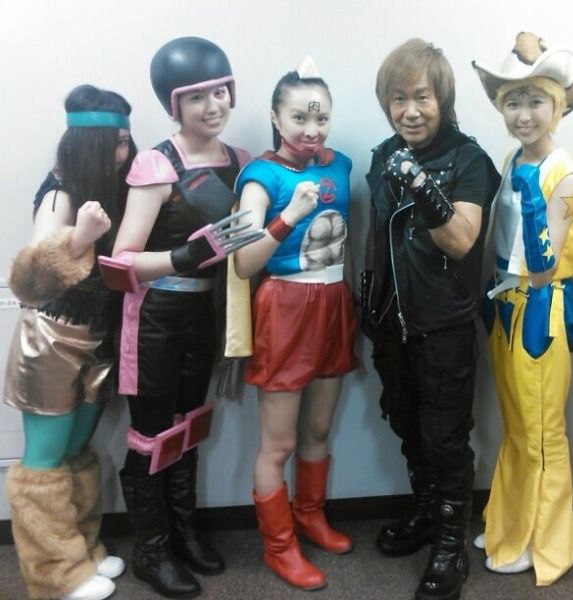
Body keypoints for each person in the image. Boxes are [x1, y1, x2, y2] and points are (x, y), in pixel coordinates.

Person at [105, 37, 258, 599]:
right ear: (174, 105)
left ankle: (184, 534)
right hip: (154, 318)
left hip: (206, 311)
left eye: (219, 92)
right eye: (196, 97)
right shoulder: (157, 163)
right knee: (150, 434)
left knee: (190, 425)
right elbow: (119, 263)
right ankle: (151, 550)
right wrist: (186, 255)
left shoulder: (240, 161)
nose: (212, 106)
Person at [361, 38, 501, 600]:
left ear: (442, 99)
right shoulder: (381, 156)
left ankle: (450, 546)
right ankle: (425, 512)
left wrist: (422, 185)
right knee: (405, 424)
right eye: (398, 99)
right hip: (392, 323)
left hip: (444, 326)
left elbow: (462, 240)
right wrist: (368, 302)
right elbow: (378, 237)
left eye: (422, 97)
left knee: (446, 441)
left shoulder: (469, 160)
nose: (410, 111)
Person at [4, 84, 135, 600]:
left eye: (126, 141)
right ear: (91, 144)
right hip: (52, 338)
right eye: (116, 142)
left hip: (95, 338)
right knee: (45, 457)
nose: (124, 152)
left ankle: (80, 555)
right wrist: (79, 239)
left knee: (78, 451)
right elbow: (28, 279)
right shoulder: (60, 192)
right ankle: (54, 577)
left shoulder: (111, 188)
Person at [232, 57, 356, 591]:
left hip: (333, 303)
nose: (312, 129)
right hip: (285, 308)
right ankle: (278, 546)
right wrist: (288, 217)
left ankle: (309, 515)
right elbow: (243, 263)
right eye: (300, 118)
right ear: (275, 118)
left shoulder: (340, 165)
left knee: (320, 429)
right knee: (277, 444)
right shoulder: (260, 178)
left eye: (321, 117)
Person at [470, 32, 573, 585]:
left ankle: (542, 540)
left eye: (535, 100)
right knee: (516, 426)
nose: (523, 114)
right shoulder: (512, 156)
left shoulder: (566, 173)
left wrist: (535, 195)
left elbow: (543, 267)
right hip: (505, 307)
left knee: (541, 432)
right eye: (512, 101)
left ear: (556, 105)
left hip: (540, 309)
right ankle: (509, 521)